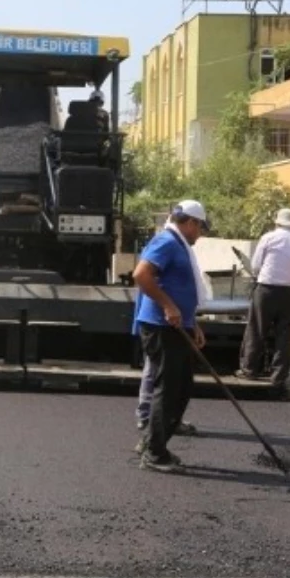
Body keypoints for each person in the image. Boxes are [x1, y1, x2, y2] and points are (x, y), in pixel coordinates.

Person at [132, 199, 209, 473]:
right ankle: (154, 453)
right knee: (169, 389)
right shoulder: (166, 242)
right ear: (189, 223)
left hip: (177, 326)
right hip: (161, 327)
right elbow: (141, 275)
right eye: (200, 227)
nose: (200, 233)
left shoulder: (179, 245)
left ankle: (153, 442)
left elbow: (180, 288)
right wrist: (167, 305)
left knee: (182, 388)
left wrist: (192, 323)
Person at [237, 208, 290, 388]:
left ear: (277, 222)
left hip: (266, 291)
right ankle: (279, 376)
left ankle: (250, 369)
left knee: (257, 329)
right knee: (285, 335)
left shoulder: (268, 238)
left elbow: (256, 265)